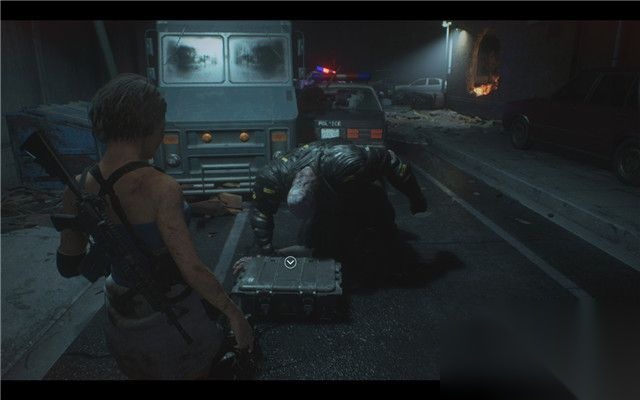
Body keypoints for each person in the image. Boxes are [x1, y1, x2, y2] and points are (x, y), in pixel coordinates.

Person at [56, 73, 253, 379]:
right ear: (146, 126)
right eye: (161, 124)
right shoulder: (161, 187)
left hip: (120, 319)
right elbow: (192, 270)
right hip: (173, 322)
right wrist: (235, 315)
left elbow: (68, 265)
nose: (163, 134)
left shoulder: (77, 187)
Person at [244, 139, 428, 285]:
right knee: (319, 245)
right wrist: (266, 251)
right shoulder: (272, 176)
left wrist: (416, 198)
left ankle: (393, 255)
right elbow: (261, 212)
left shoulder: (345, 161)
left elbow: (394, 163)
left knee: (379, 227)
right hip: (327, 192)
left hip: (359, 188)